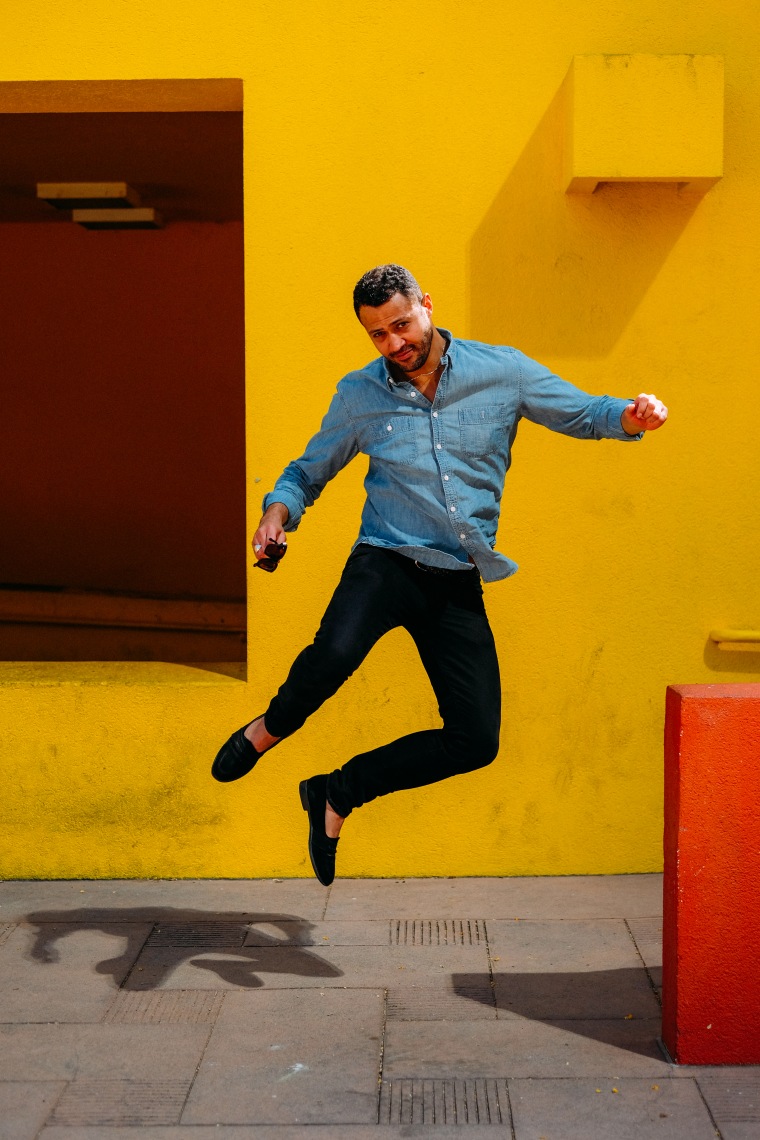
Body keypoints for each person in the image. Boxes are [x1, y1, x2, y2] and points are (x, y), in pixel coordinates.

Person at [212, 264, 668, 886]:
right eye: (378, 335)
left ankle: (337, 792)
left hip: (455, 575)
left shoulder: (500, 371)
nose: (395, 343)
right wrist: (276, 514)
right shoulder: (360, 394)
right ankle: (265, 732)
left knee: (476, 740)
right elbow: (307, 470)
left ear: (426, 305)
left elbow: (584, 412)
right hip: (386, 558)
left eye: (401, 325)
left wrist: (633, 416)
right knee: (333, 654)